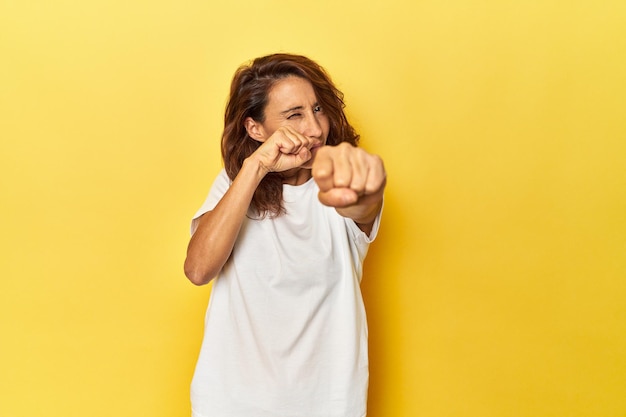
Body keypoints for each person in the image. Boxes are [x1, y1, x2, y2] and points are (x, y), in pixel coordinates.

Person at [184, 53, 386, 417]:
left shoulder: (337, 182)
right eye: (295, 115)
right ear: (255, 129)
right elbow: (198, 269)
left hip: (327, 405)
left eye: (318, 110)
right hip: (231, 404)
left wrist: (366, 190)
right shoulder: (236, 185)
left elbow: (361, 205)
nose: (314, 128)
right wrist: (257, 165)